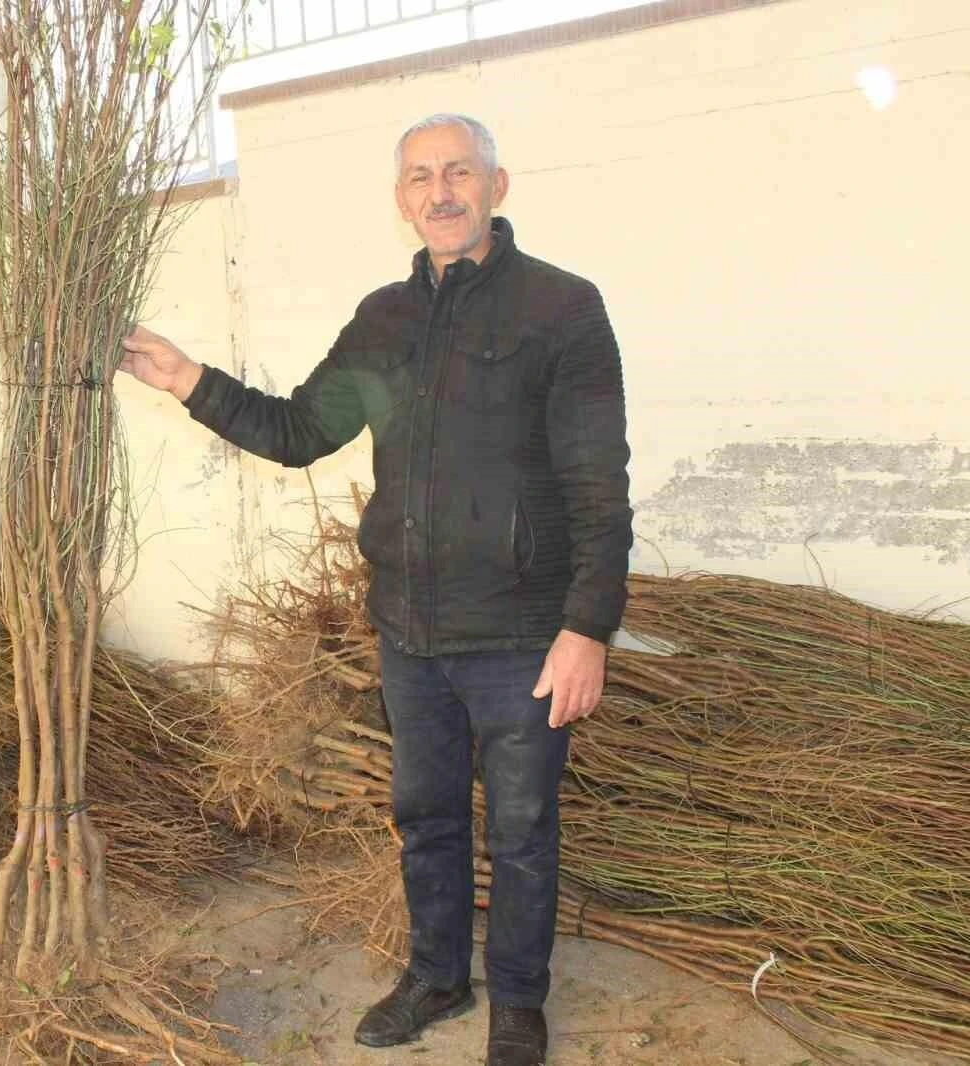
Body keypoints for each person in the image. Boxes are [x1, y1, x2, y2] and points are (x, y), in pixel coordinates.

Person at [119, 113, 633, 1065]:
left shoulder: (561, 309)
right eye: (420, 178)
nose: (440, 191)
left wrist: (587, 628)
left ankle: (518, 1000)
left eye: (458, 173)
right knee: (426, 818)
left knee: (521, 832)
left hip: (523, 636)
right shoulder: (381, 322)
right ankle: (438, 976)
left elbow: (601, 485)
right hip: (410, 633)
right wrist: (186, 377)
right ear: (401, 200)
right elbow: (297, 430)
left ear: (497, 185)